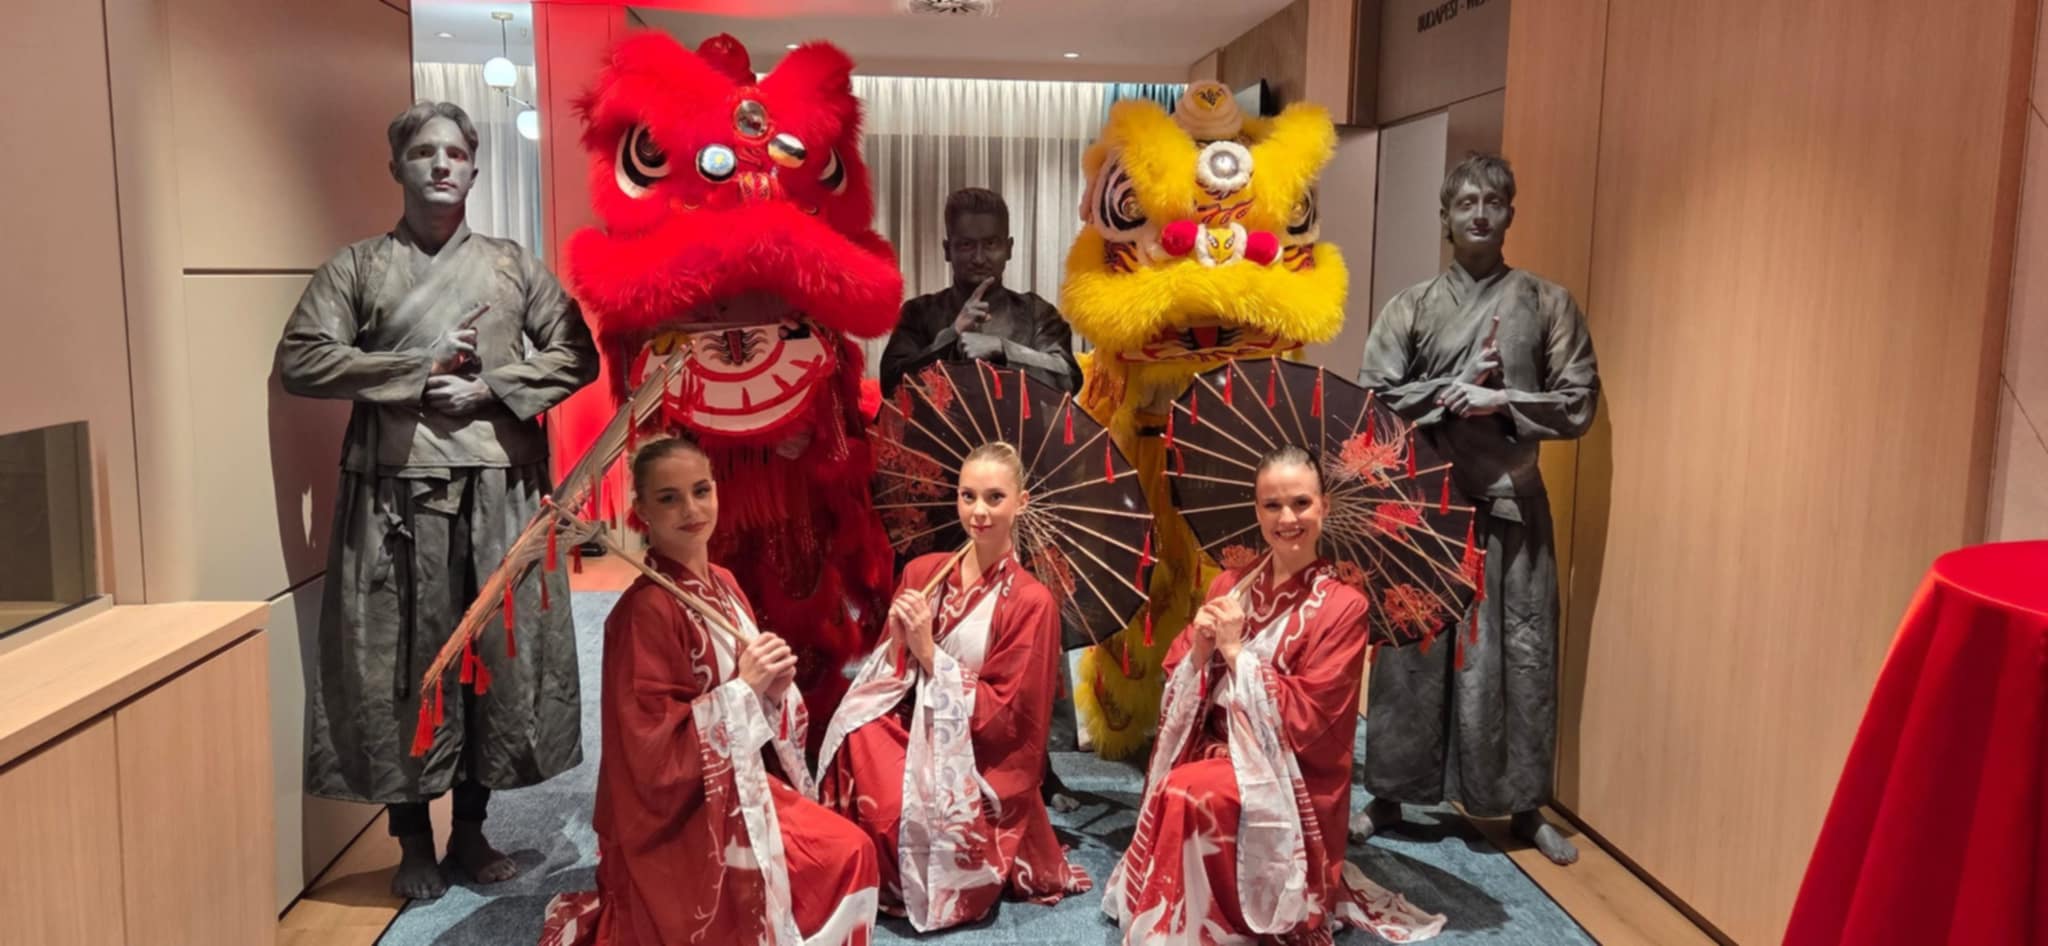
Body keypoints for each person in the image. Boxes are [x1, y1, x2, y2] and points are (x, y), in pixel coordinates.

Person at [277, 100, 599, 899]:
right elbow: (303, 360)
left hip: (498, 489)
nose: (441, 164)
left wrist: (491, 387)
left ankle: (473, 828)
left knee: (491, 659)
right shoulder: (358, 267)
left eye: (455, 153)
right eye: (424, 152)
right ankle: (413, 838)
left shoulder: (512, 265)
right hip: (394, 498)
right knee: (404, 664)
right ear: (397, 167)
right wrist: (415, 371)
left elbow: (576, 353)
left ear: (475, 170)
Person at [1353, 153, 1600, 865]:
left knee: (1520, 652)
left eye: (1494, 201)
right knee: (1412, 653)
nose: (1480, 214)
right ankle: (1391, 793)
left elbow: (1579, 400)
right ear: (1446, 216)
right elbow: (1372, 398)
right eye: (1466, 202)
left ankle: (1523, 803)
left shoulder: (1548, 303)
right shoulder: (1411, 306)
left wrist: (1503, 400)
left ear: (1511, 212)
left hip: (1511, 508)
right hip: (1425, 512)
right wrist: (1447, 389)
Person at [539, 436, 879, 946]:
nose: (691, 509)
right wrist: (745, 689)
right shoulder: (642, 613)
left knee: (851, 849)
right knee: (843, 857)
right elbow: (650, 754)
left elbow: (755, 709)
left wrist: (775, 688)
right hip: (680, 814)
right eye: (669, 498)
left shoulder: (723, 580)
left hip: (735, 782)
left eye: (701, 490)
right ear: (642, 511)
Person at [1102, 446, 1446, 944]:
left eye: (1301, 503)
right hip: (1215, 746)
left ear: (1324, 506)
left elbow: (1314, 719)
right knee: (1180, 783)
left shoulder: (1344, 607)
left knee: (1188, 791)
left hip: (1291, 769)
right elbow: (1180, 669)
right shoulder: (1230, 584)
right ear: (1257, 511)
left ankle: (1208, 925)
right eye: (1272, 505)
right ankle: (1194, 916)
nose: (1287, 519)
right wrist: (1201, 649)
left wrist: (1237, 653)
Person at [815, 442, 1091, 931]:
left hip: (976, 753)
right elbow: (887, 677)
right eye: (968, 496)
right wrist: (898, 641)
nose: (978, 512)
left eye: (994, 497)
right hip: (910, 722)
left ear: (1021, 502)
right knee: (852, 729)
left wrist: (930, 654)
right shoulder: (922, 572)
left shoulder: (1032, 602)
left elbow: (1009, 719)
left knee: (899, 810)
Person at [879, 188, 1080, 397]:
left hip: (1020, 420)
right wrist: (951, 335)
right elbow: (891, 385)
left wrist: (1003, 349)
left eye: (991, 244)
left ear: (1009, 248)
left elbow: (1069, 379)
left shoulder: (1036, 312)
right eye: (966, 245)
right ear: (947, 250)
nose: (979, 258)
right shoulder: (919, 312)